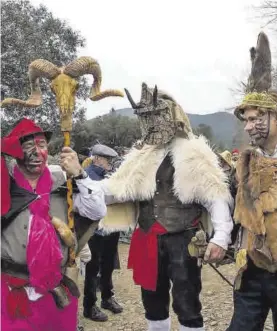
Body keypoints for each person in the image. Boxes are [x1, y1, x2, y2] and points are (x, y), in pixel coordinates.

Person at [100, 83, 233, 331]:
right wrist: (81, 181)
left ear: (169, 115)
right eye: (146, 118)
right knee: (152, 299)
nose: (150, 123)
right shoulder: (141, 154)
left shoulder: (193, 152)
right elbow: (117, 188)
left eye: (155, 116)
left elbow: (215, 194)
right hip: (148, 235)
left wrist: (221, 237)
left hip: (183, 238)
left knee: (187, 299)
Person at [1, 118, 107, 331]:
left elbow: (97, 211)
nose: (37, 152)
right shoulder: (5, 186)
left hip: (58, 292)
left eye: (41, 145)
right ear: (16, 151)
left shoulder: (63, 184)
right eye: (29, 146)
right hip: (12, 289)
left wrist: (80, 173)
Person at [227, 32, 277, 331]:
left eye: (255, 118)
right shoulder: (245, 161)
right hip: (254, 271)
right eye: (245, 120)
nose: (248, 127)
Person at [83, 144, 123, 322]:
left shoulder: (110, 175)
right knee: (92, 268)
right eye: (108, 160)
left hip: (112, 228)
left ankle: (107, 298)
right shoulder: (87, 175)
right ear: (97, 159)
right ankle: (89, 306)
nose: (111, 164)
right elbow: (101, 198)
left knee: (108, 265)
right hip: (95, 230)